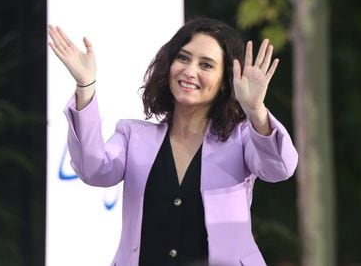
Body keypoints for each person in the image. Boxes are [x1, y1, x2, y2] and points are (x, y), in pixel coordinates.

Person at [48, 17, 298, 266]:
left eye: (206, 65)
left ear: (225, 81)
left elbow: (279, 169)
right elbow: (93, 169)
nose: (190, 71)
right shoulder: (132, 135)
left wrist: (256, 110)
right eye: (183, 58)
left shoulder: (242, 138)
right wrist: (85, 86)